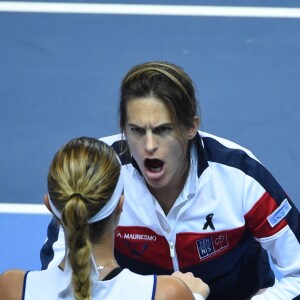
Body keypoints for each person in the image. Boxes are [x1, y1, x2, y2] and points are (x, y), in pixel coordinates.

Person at [40, 62, 300, 299]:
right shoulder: (97, 173)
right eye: (137, 131)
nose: (149, 146)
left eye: (163, 130)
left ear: (190, 127)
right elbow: (57, 284)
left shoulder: (240, 178)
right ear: (123, 128)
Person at [0, 137, 210, 300]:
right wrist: (194, 296)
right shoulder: (166, 294)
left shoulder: (12, 288)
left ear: (49, 205)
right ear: (120, 206)